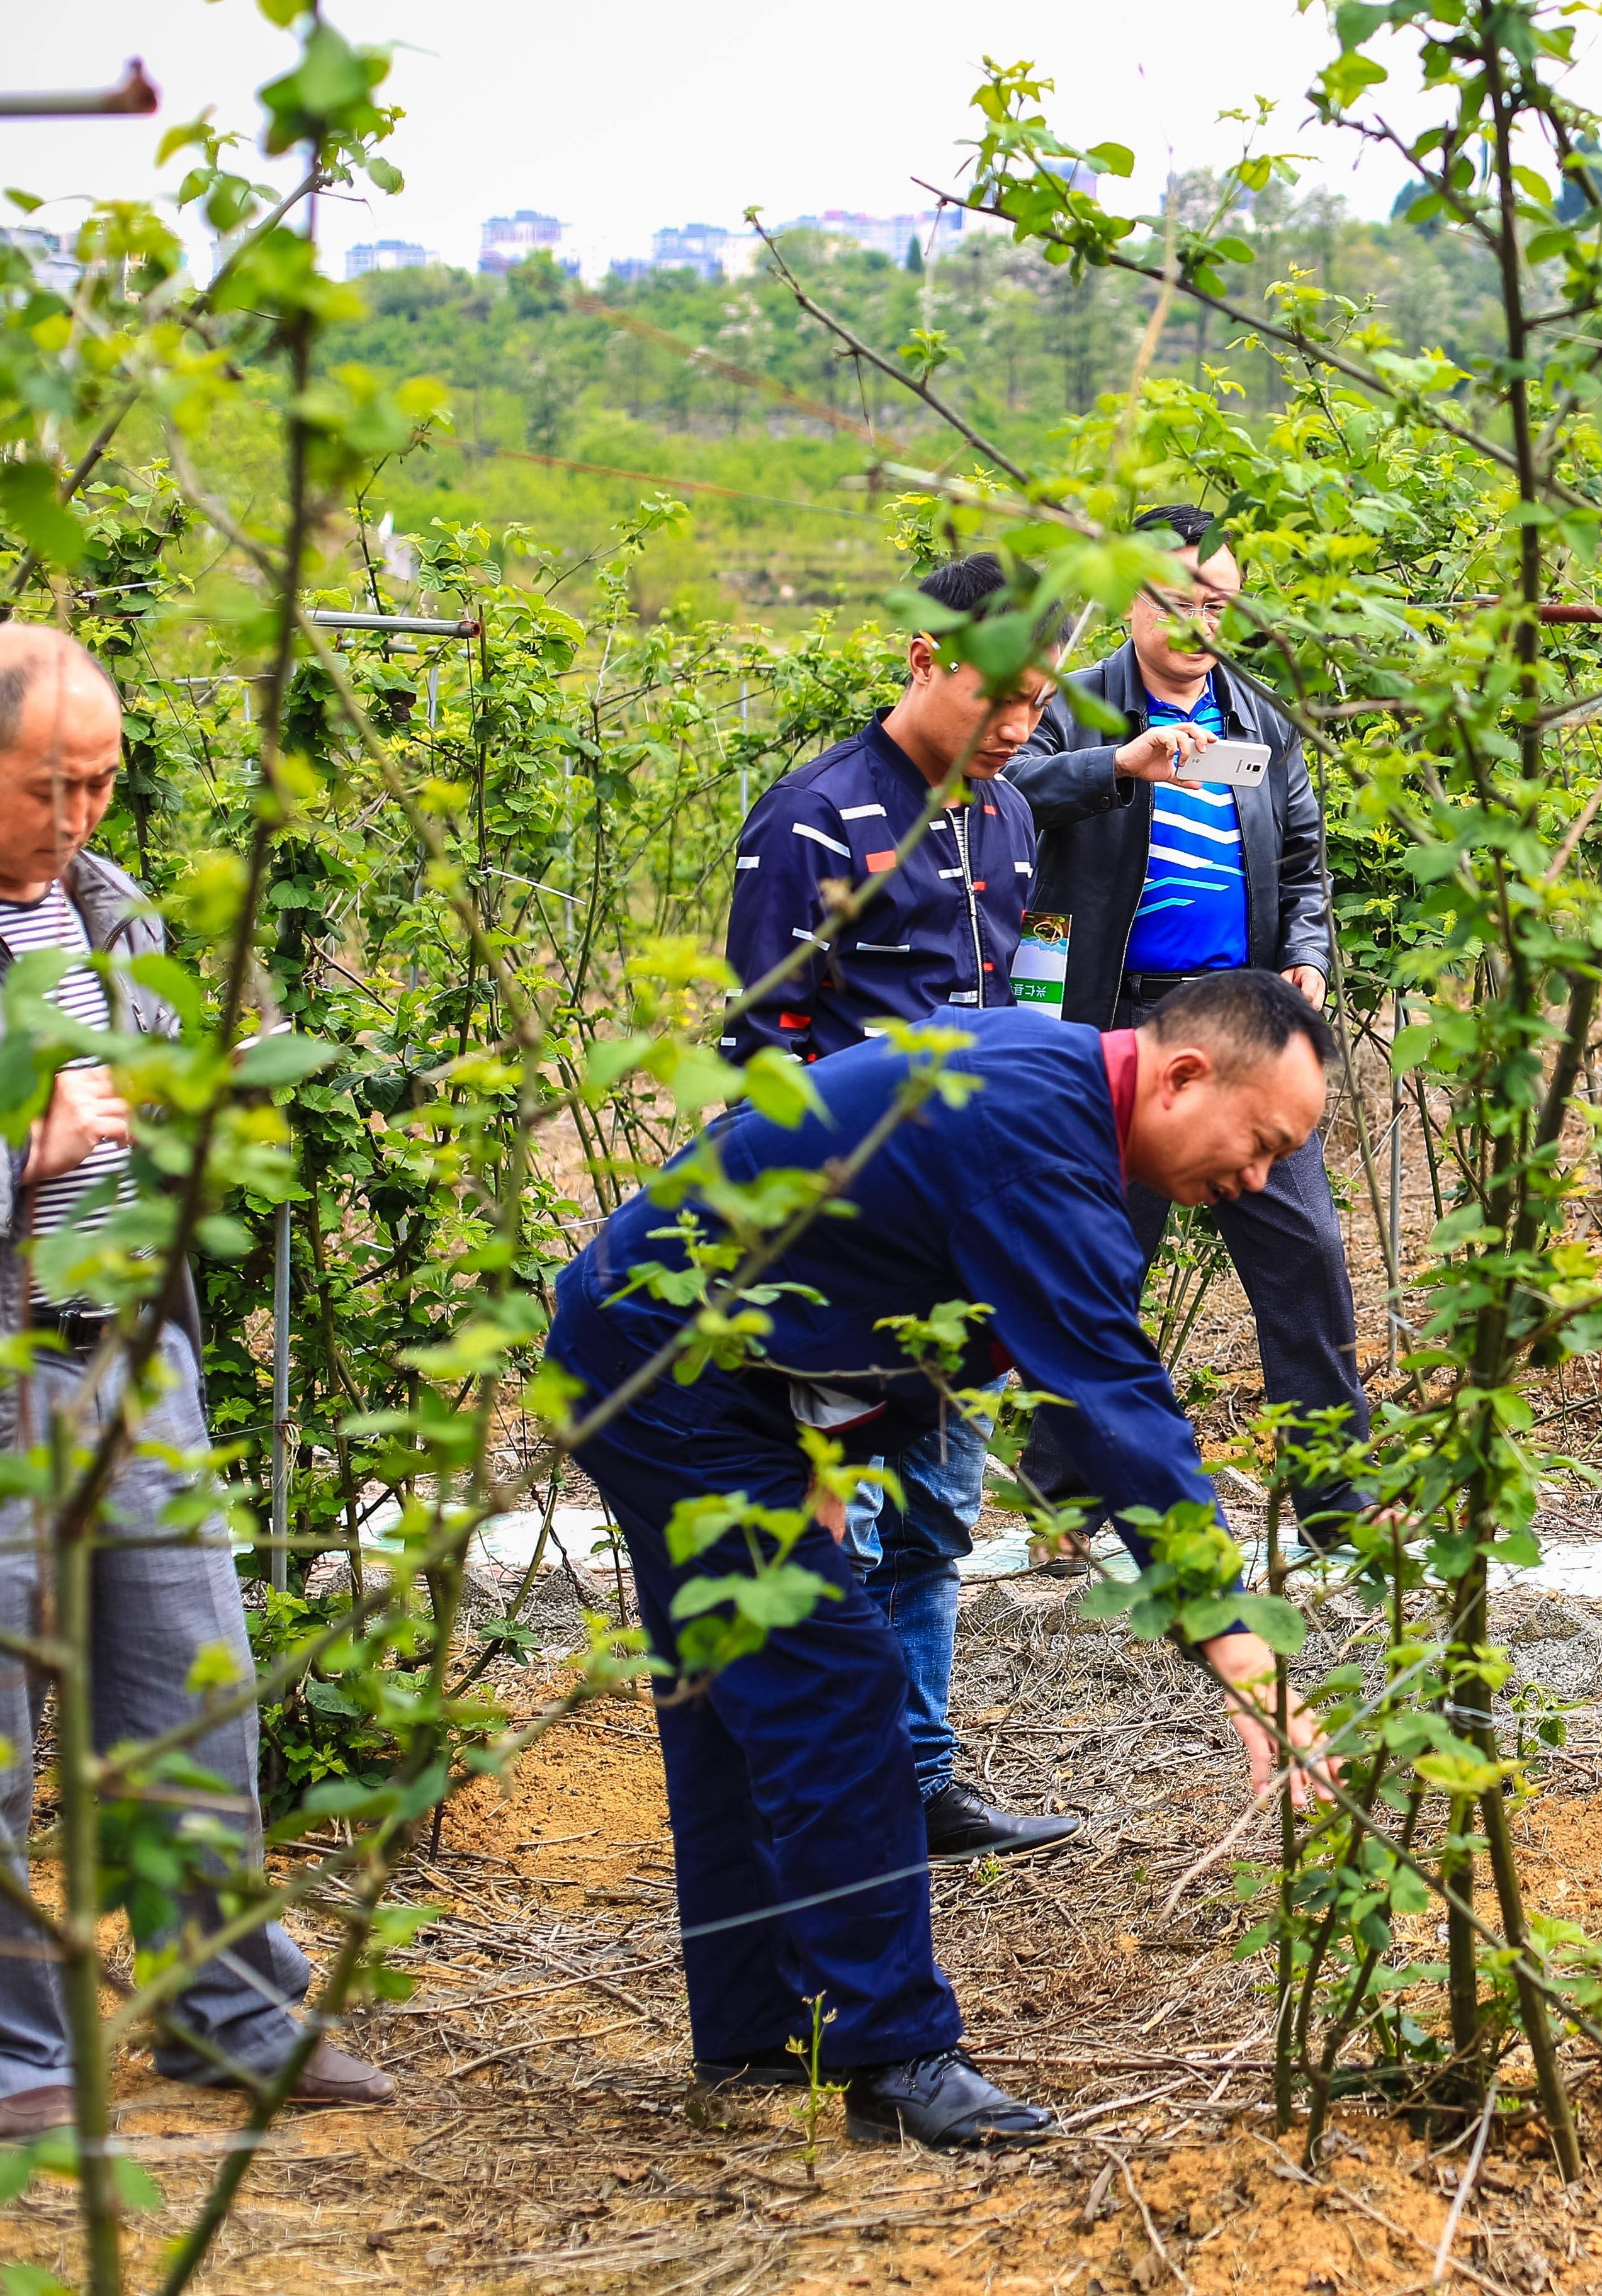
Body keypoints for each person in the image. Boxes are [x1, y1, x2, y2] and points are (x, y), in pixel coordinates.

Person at [547, 974, 1334, 2149]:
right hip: (671, 1377)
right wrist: (1233, 1639)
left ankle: (757, 2025)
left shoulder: (1046, 1080)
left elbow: (873, 1248)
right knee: (833, 1689)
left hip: (669, 1351)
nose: (1259, 1179)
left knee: (733, 1696)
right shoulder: (1039, 1145)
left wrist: (819, 1445)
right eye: (1261, 1142)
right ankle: (894, 2053)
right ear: (1182, 1077)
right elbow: (1111, 1401)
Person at [0, 624, 392, 2137]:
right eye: (52, 787)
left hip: (132, 1366)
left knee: (194, 1701)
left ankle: (225, 2014)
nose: (81, 816)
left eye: (103, 784)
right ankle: (10, 2058)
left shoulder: (115, 911)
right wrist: (9, 1154)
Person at [718, 551, 1068, 1860]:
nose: (1018, 727)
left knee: (934, 1520)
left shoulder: (1009, 814)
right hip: (847, 1245)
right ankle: (837, 1786)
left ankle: (920, 1781)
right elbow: (764, 1051)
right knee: (842, 1525)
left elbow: (1017, 1002)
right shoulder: (814, 816)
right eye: (999, 697)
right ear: (925, 657)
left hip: (966, 1240)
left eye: (1038, 702)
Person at [1007, 505, 1366, 1541]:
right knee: (1096, 1264)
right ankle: (1060, 1504)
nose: (1201, 621)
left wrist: (1306, 955)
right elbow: (1003, 791)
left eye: (1219, 603)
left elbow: (1303, 862)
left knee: (1306, 1251)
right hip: (1113, 1024)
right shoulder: (1074, 705)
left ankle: (1337, 1505)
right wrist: (1117, 765)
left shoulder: (1261, 720)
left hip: (1243, 1024)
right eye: (1178, 598)